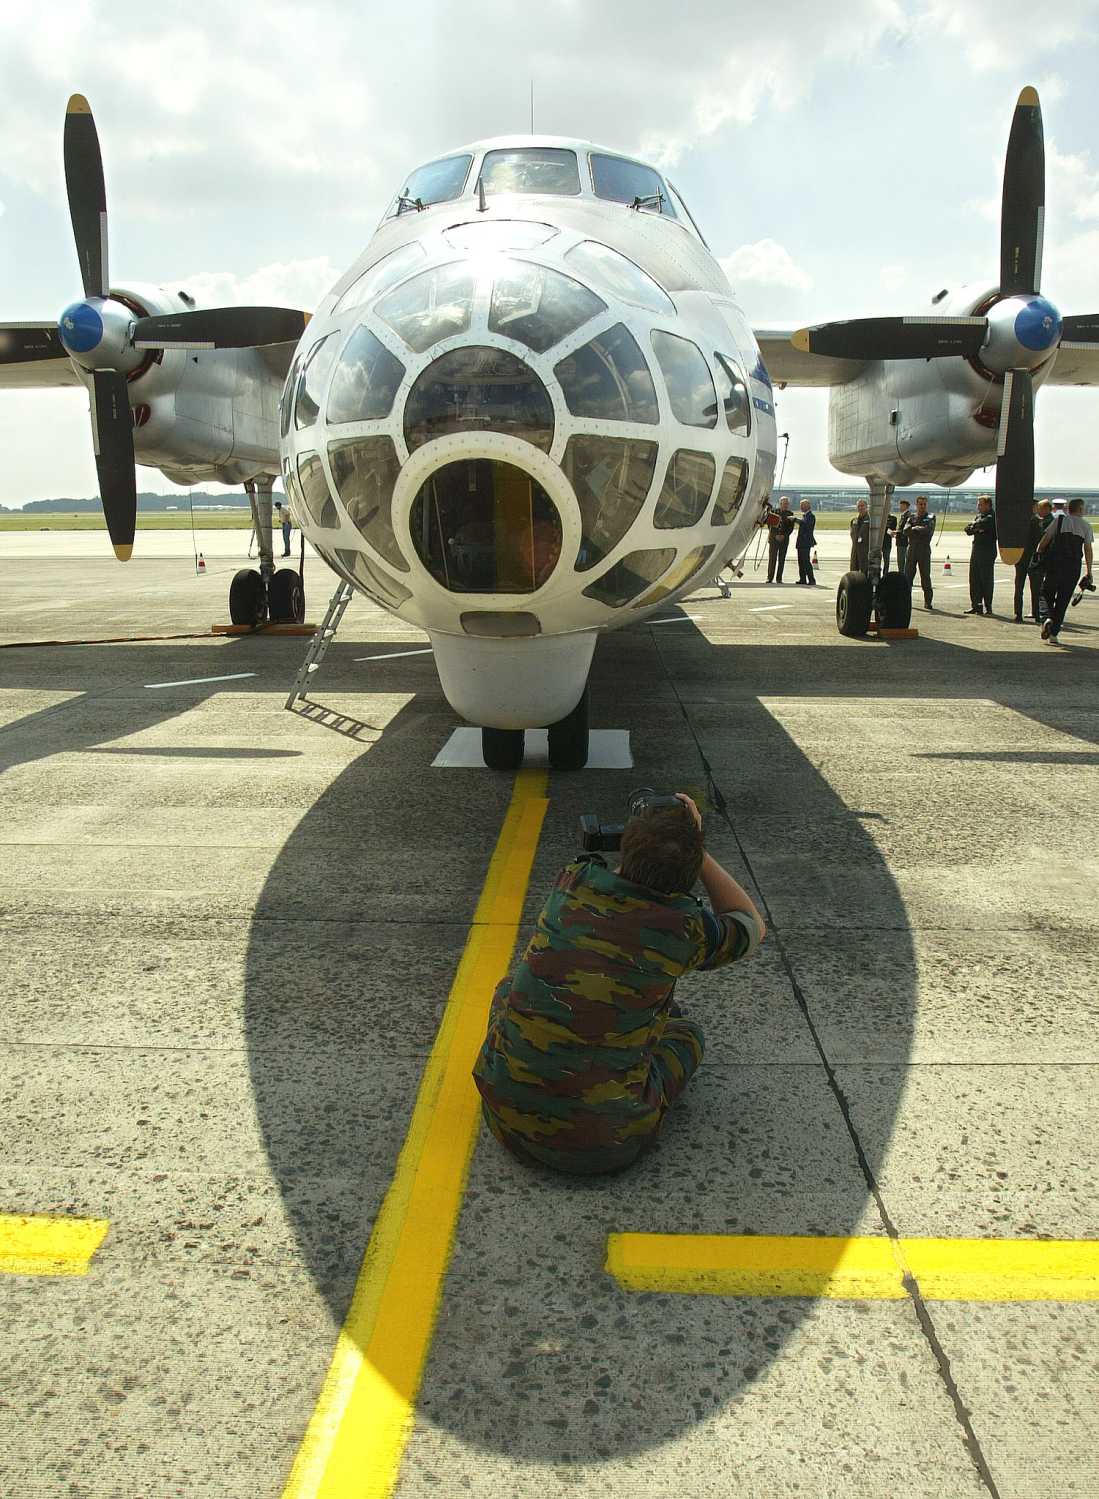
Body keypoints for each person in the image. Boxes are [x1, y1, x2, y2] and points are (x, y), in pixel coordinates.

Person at [473, 793, 765, 1176]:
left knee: (510, 987)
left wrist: (653, 835)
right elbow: (750, 924)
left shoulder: (573, 881)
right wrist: (698, 845)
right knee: (688, 1035)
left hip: (503, 1119)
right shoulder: (686, 928)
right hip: (603, 1147)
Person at [1037, 497, 1094, 644]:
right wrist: (1089, 571)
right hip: (1073, 568)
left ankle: (1046, 618)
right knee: (1063, 599)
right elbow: (1087, 549)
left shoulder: (1060, 521)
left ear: (1069, 509)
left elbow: (1046, 539)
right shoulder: (1086, 526)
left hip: (1055, 565)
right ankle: (1054, 634)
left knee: (1045, 593)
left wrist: (1038, 554)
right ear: (1080, 509)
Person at [1014, 500, 1051, 623]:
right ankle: (1036, 613)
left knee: (1019, 587)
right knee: (1035, 588)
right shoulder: (1036, 521)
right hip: (1032, 558)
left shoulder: (1019, 521)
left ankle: (1018, 614)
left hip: (1019, 557)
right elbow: (1039, 540)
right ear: (1033, 507)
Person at [963, 494, 997, 615]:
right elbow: (967, 530)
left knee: (986, 579)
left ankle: (988, 606)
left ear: (988, 505)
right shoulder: (978, 516)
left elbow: (983, 524)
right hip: (976, 549)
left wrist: (976, 526)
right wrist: (975, 527)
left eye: (980, 504)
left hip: (987, 550)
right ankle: (976, 605)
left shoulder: (992, 516)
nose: (978, 506)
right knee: (974, 578)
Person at [904, 495, 936, 608]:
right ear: (916, 505)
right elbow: (906, 530)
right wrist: (917, 529)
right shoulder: (911, 517)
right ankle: (906, 601)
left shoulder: (931, 517)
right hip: (912, 549)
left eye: (924, 504)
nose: (922, 506)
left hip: (924, 549)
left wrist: (915, 528)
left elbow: (928, 530)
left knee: (925, 576)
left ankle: (928, 601)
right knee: (908, 576)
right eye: (920, 504)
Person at [767, 496, 797, 583]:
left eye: (787, 504)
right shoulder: (773, 512)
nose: (786, 505)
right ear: (780, 504)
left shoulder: (790, 514)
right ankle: (770, 577)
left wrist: (784, 535)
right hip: (774, 539)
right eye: (784, 504)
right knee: (772, 559)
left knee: (781, 559)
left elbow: (791, 528)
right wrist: (776, 535)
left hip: (784, 540)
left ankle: (779, 578)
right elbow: (770, 525)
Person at [793, 497, 817, 585]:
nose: (801, 507)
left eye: (802, 505)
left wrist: (795, 520)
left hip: (805, 543)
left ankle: (811, 579)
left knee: (806, 562)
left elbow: (806, 524)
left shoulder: (811, 516)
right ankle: (802, 579)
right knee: (801, 562)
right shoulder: (805, 516)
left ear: (807, 506)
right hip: (801, 543)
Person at [849, 499, 870, 573]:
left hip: (865, 549)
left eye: (862, 506)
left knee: (865, 570)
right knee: (853, 569)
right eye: (859, 506)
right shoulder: (854, 520)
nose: (860, 508)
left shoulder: (870, 520)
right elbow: (852, 533)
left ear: (866, 507)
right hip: (855, 548)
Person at [895, 497, 912, 576]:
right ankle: (902, 575)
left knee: (902, 560)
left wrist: (896, 532)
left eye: (901, 505)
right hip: (900, 541)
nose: (900, 507)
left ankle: (903, 576)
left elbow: (906, 529)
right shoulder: (903, 515)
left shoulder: (908, 516)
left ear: (906, 506)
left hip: (903, 542)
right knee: (900, 560)